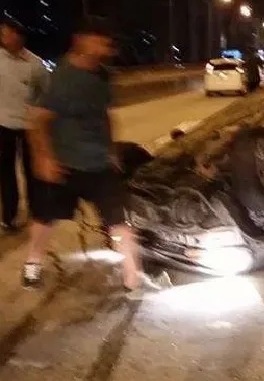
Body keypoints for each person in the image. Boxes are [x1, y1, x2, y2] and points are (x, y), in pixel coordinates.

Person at [24, 18, 159, 299]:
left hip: (100, 165)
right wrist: (44, 158)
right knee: (45, 219)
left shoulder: (103, 77)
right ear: (81, 40)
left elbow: (105, 114)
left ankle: (132, 277)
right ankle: (32, 263)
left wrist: (111, 149)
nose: (107, 48)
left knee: (118, 221)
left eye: (108, 43)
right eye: (101, 41)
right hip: (65, 165)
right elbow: (38, 121)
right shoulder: (60, 79)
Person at [0, 18, 49, 233]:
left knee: (32, 171)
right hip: (3, 125)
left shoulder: (35, 64)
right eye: (2, 34)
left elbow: (45, 93)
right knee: (6, 173)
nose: (4, 38)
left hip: (29, 126)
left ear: (20, 37)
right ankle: (9, 217)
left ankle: (37, 210)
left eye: (8, 34)